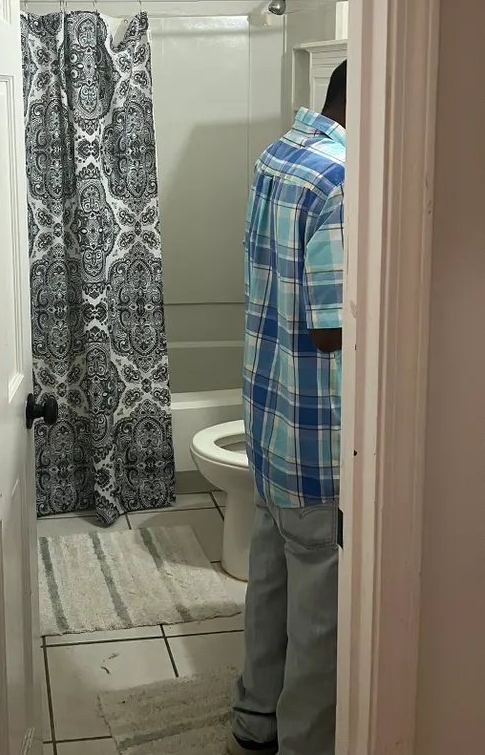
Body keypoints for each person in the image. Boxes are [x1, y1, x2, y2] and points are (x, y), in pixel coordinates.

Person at [229, 60, 347, 755]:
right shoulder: (340, 179)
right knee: (319, 620)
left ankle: (255, 720)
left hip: (270, 416)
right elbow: (332, 328)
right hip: (316, 435)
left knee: (269, 579)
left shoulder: (280, 155)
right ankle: (304, 743)